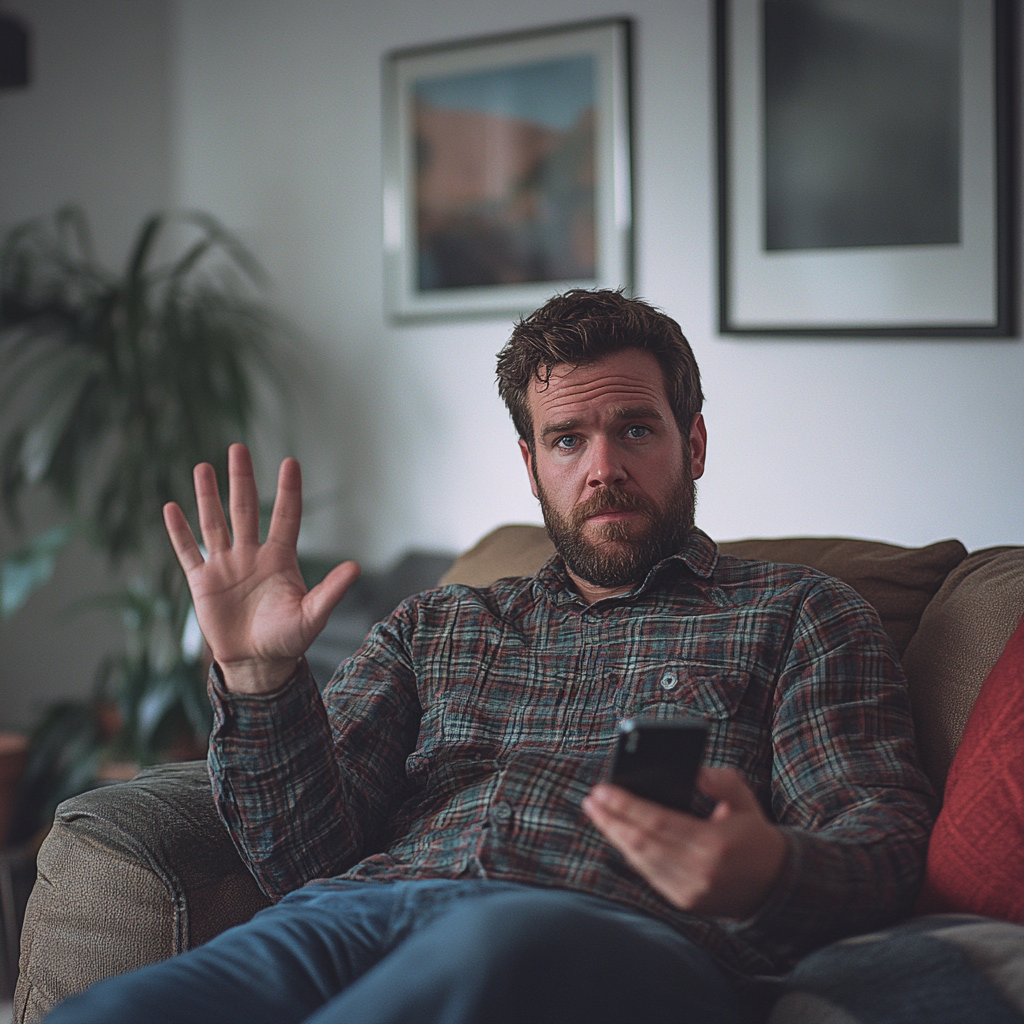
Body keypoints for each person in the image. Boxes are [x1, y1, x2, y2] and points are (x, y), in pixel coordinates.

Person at [46, 289, 936, 1024]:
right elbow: (301, 860)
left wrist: (771, 868)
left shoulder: (801, 614)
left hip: (607, 933)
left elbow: (885, 844)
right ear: (530, 463)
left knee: (482, 955)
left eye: (635, 430)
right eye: (567, 439)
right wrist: (259, 678)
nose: (603, 467)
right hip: (352, 916)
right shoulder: (438, 624)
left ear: (691, 443)